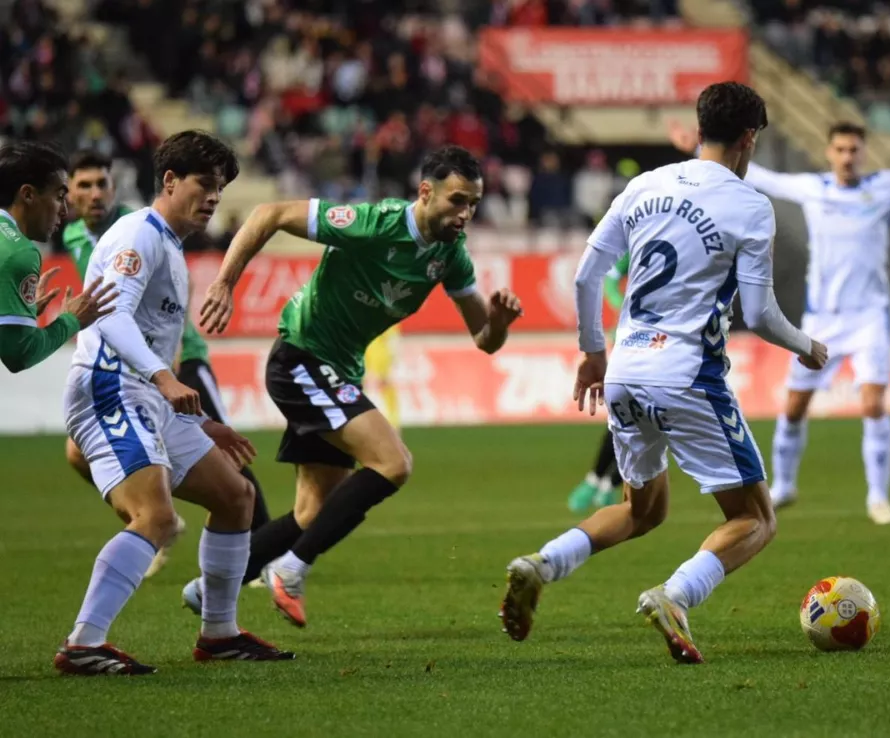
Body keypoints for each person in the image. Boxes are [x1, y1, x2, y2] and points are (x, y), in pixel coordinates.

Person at [499, 82, 828, 664]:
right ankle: (675, 596)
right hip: (687, 374)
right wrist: (806, 347)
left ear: (700, 128)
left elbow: (584, 276)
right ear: (750, 138)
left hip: (626, 369)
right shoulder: (750, 205)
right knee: (755, 518)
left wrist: (592, 352)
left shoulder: (643, 185)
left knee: (642, 509)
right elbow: (758, 314)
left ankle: (542, 562)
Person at [192, 145, 523, 629]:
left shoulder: (451, 257)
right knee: (393, 462)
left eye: (472, 203)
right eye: (457, 200)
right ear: (425, 192)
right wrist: (225, 283)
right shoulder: (374, 222)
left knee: (313, 512)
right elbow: (269, 213)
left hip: (337, 370)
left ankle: (207, 589)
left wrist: (499, 322)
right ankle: (290, 570)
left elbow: (485, 341)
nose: (465, 214)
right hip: (302, 357)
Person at [667, 118, 890, 523]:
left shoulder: (886, 187)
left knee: (873, 402)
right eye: (840, 150)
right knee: (793, 406)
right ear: (830, 152)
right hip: (821, 319)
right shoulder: (813, 188)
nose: (847, 157)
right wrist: (697, 150)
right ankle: (786, 485)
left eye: (854, 150)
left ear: (864, 152)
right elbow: (760, 176)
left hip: (869, 319)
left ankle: (878, 498)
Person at [56, 130, 293, 676]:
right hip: (110, 386)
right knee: (155, 517)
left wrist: (202, 422)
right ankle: (83, 643)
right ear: (168, 180)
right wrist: (165, 380)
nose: (213, 197)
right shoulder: (138, 234)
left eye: (220, 188)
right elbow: (110, 317)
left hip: (145, 394)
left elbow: (152, 333)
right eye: (204, 184)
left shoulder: (169, 245)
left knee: (235, 498)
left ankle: (219, 633)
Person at [0, 142, 116, 374]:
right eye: (59, 196)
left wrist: (23, 310)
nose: (64, 210)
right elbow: (19, 355)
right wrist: (72, 320)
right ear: (28, 195)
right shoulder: (20, 253)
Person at [566, 251, 629, 513]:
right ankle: (601, 482)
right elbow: (610, 281)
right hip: (630, 340)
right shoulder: (638, 246)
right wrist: (621, 303)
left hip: (661, 342)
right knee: (626, 415)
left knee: (638, 419)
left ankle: (603, 483)